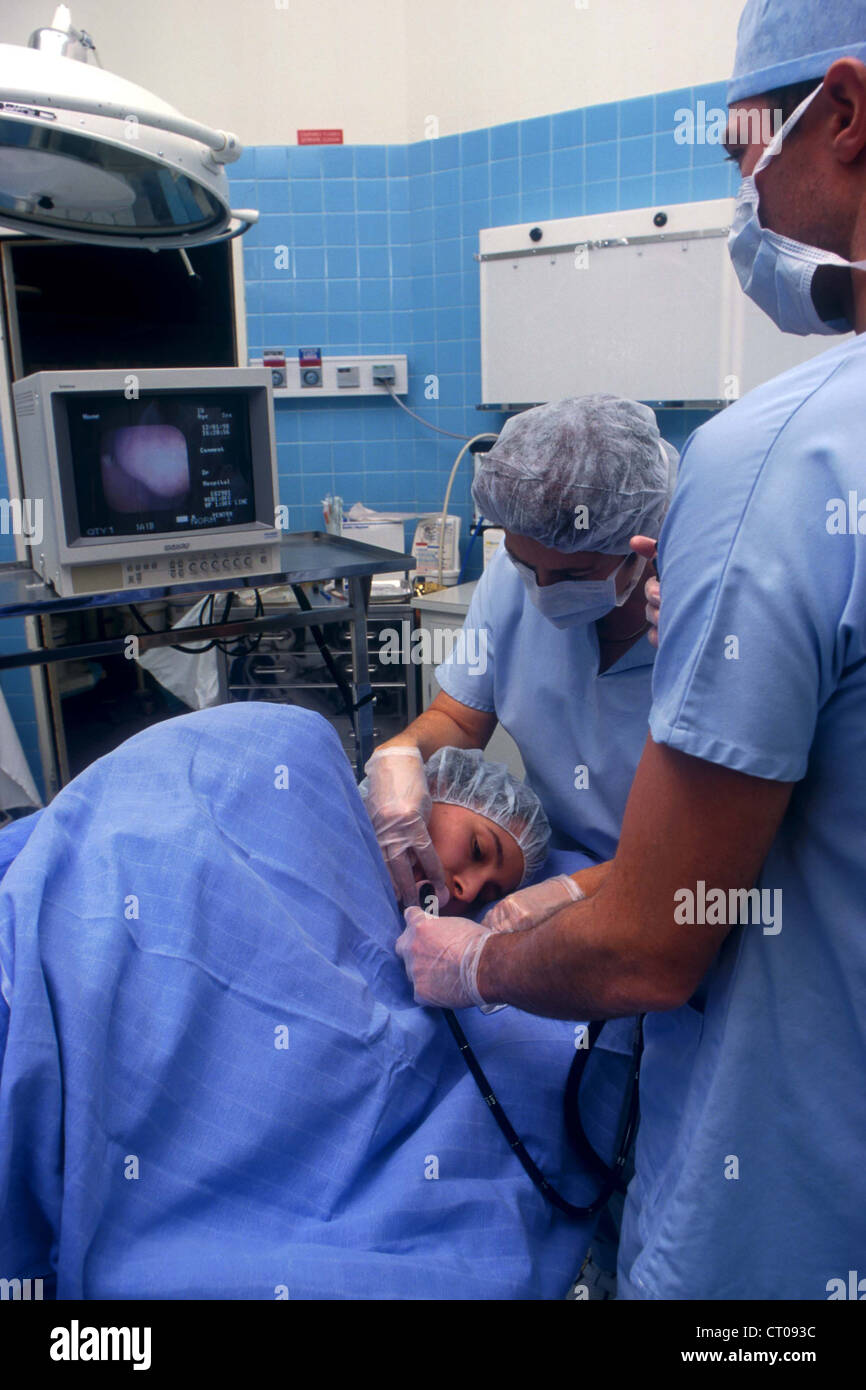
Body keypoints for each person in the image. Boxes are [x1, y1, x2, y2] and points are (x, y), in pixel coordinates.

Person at [397, 0, 866, 1300]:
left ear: (842, 112)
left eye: (738, 156)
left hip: (788, 1206)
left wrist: (483, 954)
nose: (742, 200)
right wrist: (417, 791)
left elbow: (654, 940)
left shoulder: (778, 465)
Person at [0, 701, 619, 1300]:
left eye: (489, 892)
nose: (466, 888)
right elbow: (172, 792)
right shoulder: (299, 761)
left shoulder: (417, 959)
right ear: (429, 790)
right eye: (478, 850)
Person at [363, 392, 678, 913]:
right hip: (555, 859)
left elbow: (716, 832)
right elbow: (460, 721)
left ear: (643, 541)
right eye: (524, 563)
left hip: (674, 887)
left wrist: (578, 892)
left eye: (573, 574)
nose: (543, 589)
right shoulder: (513, 580)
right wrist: (402, 753)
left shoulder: (697, 620)